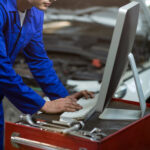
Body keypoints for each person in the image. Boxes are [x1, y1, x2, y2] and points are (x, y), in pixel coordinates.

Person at [0, 0, 94, 149]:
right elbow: (1, 68)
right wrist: (42, 104)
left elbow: (39, 60)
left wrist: (62, 99)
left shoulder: (35, 13)